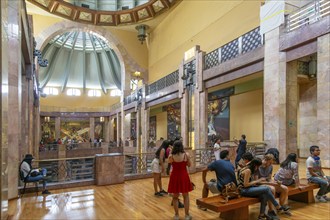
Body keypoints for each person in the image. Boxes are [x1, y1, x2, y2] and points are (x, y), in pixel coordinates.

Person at [168, 141, 193, 220]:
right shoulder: (186, 155)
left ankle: (176, 215)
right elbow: (189, 165)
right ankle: (187, 215)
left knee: (175, 197)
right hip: (183, 175)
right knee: (186, 196)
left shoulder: (171, 156)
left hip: (174, 176)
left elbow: (170, 162)